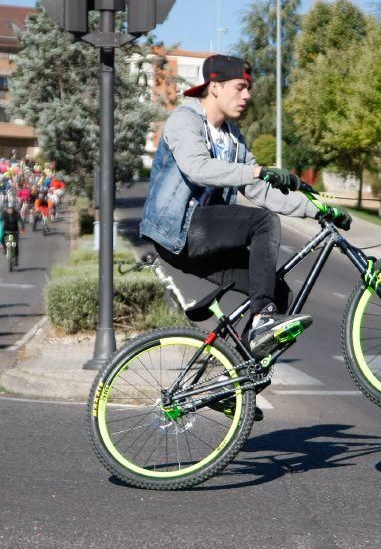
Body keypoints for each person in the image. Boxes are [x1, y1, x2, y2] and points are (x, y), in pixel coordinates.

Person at [140, 54, 350, 360]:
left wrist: (316, 209)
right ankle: (261, 320)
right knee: (263, 223)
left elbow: (261, 190)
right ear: (215, 87)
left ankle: (237, 380)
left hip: (206, 238)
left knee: (277, 294)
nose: (247, 95)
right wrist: (257, 170)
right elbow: (197, 167)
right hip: (177, 231)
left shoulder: (233, 139)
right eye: (240, 87)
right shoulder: (184, 120)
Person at [1, 199, 24, 263]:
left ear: (13, 209)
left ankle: (16, 258)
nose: (10, 210)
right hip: (6, 230)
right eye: (9, 208)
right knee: (1, 238)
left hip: (15, 231)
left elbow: (21, 221)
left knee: (15, 245)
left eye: (11, 208)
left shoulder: (16, 213)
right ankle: (5, 248)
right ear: (7, 208)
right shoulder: (4, 213)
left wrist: (22, 228)